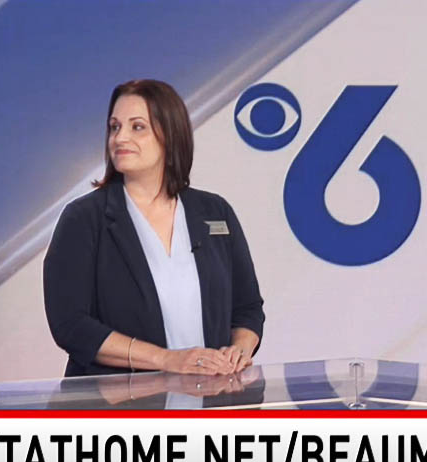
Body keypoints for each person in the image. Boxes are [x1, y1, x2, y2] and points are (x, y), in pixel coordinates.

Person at [44, 79, 264, 378]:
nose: (120, 138)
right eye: (114, 127)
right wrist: (167, 360)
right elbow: (71, 325)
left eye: (137, 127)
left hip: (211, 402)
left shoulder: (215, 211)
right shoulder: (83, 218)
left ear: (170, 134)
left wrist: (238, 351)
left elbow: (248, 307)